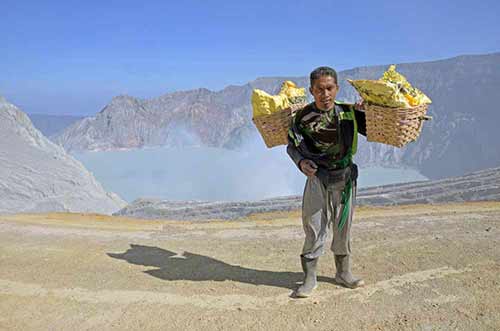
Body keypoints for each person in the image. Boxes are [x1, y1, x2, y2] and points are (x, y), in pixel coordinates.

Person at [287, 66, 367, 298]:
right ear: (311, 91)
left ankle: (343, 273)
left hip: (344, 179)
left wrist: (367, 111)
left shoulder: (348, 113)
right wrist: (301, 162)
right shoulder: (302, 117)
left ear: (337, 88)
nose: (325, 94)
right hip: (317, 179)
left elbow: (374, 129)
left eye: (330, 88)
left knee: (343, 228)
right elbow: (291, 145)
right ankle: (309, 278)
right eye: (319, 89)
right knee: (314, 227)